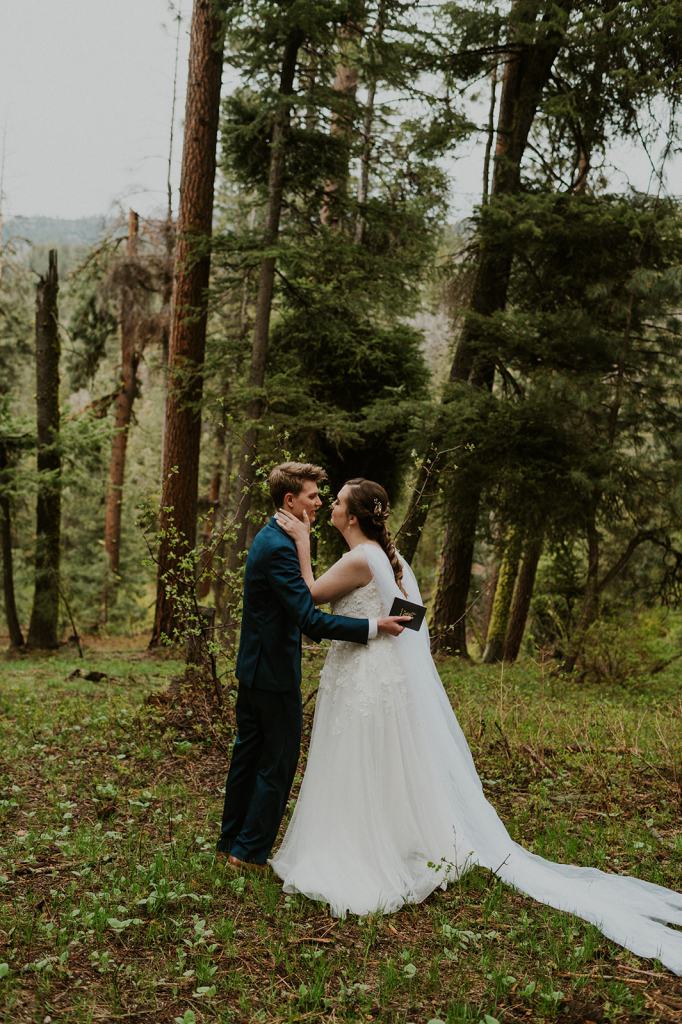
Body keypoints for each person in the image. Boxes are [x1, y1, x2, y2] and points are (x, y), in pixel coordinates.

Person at [270, 477, 682, 975]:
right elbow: (413, 618)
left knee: (356, 758)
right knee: (375, 759)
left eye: (336, 503)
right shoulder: (385, 557)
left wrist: (301, 543)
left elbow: (311, 595)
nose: (330, 506)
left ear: (353, 517)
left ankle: (363, 851)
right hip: (377, 673)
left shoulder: (359, 558)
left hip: (361, 674)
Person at [216, 463, 409, 869]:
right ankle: (247, 853)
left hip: (255, 666)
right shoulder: (281, 548)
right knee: (277, 762)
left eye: (326, 497)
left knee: (248, 756)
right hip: (272, 673)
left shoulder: (272, 538)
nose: (320, 502)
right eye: (313, 496)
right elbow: (311, 618)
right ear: (291, 501)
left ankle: (231, 842)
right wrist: (374, 626)